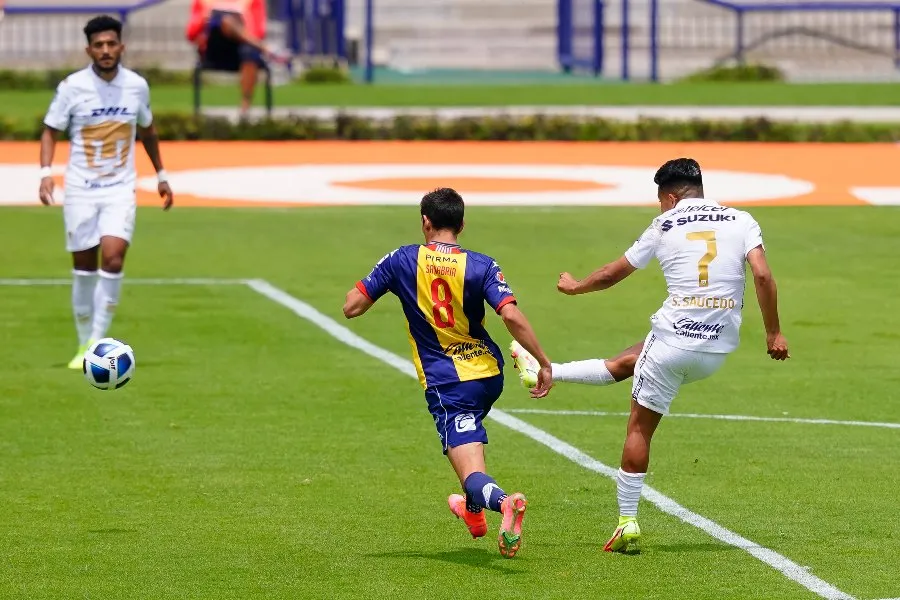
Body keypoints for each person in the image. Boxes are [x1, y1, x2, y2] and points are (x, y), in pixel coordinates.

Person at [511, 158, 789, 553]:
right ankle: (549, 372)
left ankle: (626, 522)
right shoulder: (741, 220)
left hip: (674, 343)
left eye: (661, 201)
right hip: (718, 349)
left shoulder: (666, 224)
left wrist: (575, 287)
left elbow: (611, 274)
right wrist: (774, 332)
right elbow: (762, 275)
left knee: (639, 427)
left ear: (671, 197)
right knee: (633, 358)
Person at [342, 188, 553, 559]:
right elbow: (511, 315)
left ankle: (504, 502)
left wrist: (388, 277)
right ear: (462, 225)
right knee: (463, 442)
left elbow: (352, 307)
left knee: (471, 471)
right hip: (489, 375)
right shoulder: (483, 265)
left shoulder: (402, 259)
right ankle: (473, 516)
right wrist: (544, 361)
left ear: (425, 221)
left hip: (449, 382)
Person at [39, 15, 174, 369]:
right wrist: (45, 173)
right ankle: (83, 343)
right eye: (98, 45)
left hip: (119, 188)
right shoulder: (72, 87)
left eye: (111, 44)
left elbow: (148, 130)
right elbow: (50, 130)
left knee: (113, 258)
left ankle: (98, 342)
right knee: (84, 266)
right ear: (89, 50)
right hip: (81, 189)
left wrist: (161, 174)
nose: (106, 50)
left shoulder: (136, 86)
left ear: (121, 47)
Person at [185, 0, 289, 117]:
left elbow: (259, 31)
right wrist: (204, 18)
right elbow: (191, 33)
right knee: (222, 19)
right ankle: (266, 49)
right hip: (215, 48)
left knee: (249, 50)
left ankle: (244, 110)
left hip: (242, 48)